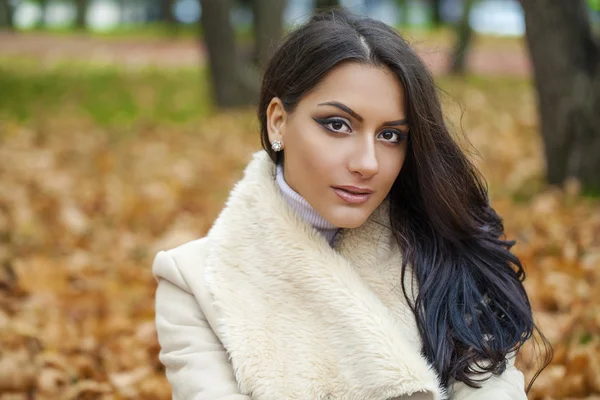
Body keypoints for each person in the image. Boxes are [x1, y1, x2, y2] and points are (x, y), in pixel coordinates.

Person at [152, 8, 546, 400]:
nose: (367, 164)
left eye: (391, 135)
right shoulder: (195, 281)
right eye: (337, 125)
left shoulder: (442, 246)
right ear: (277, 122)